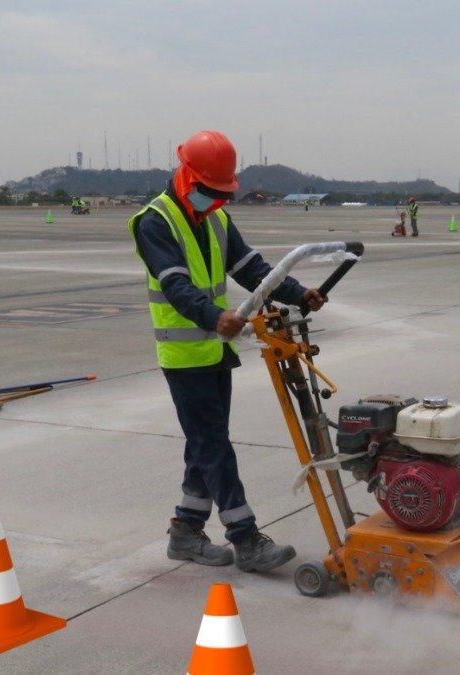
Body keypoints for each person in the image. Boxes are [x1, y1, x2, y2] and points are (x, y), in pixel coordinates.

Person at [127, 130, 328, 574]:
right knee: (213, 444)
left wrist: (297, 293)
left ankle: (184, 531)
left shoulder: (215, 216)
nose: (216, 201)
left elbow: (252, 267)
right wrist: (212, 315)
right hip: (184, 357)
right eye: (209, 192)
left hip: (215, 350)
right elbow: (175, 283)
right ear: (187, 176)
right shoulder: (154, 221)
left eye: (222, 194)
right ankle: (246, 539)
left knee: (204, 443)